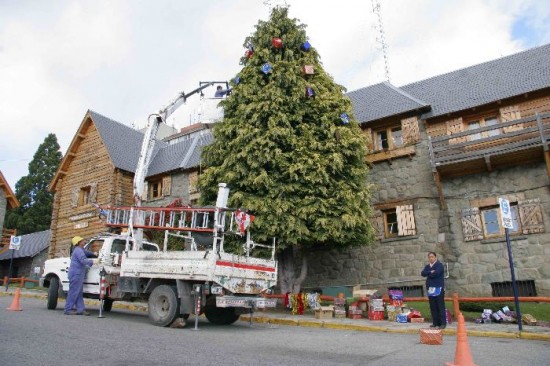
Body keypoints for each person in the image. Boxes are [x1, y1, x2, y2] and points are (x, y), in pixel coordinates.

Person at [64, 236, 98, 315]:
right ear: (78, 242)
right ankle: (68, 309)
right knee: (73, 292)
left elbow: (87, 253)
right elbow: (83, 260)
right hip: (76, 274)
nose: (84, 241)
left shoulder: (80, 250)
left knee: (78, 292)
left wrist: (94, 254)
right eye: (82, 240)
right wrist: (93, 262)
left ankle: (80, 309)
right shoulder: (78, 251)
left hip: (77, 274)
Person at [421, 251, 447, 329]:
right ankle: (435, 323)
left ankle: (442, 323)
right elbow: (422, 273)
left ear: (435, 257)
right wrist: (430, 272)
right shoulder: (428, 266)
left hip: (438, 288)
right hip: (430, 289)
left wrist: (429, 274)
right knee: (433, 306)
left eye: (432, 257)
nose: (431, 258)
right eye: (429, 257)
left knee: (440, 306)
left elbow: (436, 274)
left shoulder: (439, 265)